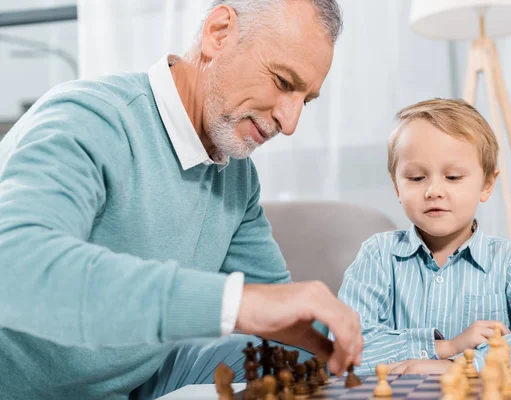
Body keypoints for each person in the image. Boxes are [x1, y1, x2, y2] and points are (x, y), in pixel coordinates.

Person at [0, 1, 363, 399]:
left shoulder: (237, 178)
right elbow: (15, 265)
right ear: (219, 32)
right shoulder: (90, 118)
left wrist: (402, 347)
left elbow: (287, 317)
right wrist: (236, 302)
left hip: (133, 384)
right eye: (282, 81)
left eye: (306, 100)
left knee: (295, 363)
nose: (290, 122)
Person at [337, 99, 511, 377]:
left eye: (452, 176)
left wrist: (459, 366)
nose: (434, 190)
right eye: (415, 178)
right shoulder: (377, 256)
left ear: (486, 184)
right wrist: (446, 347)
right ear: (396, 186)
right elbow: (344, 352)